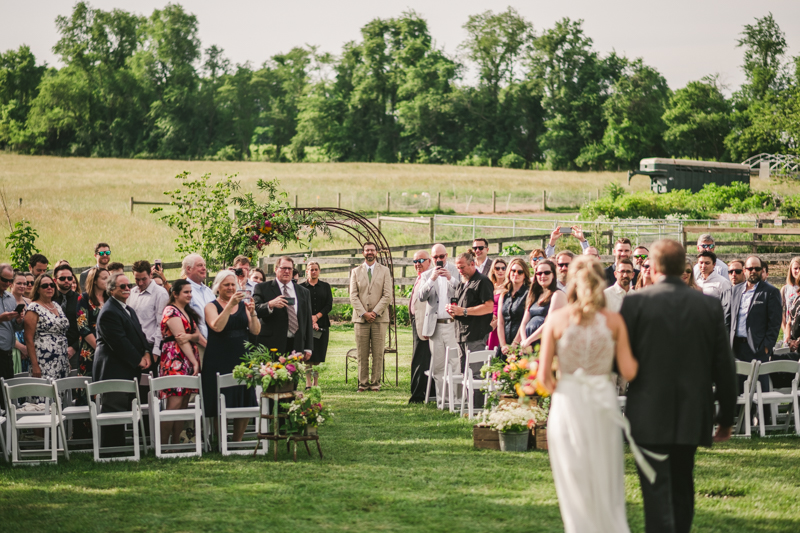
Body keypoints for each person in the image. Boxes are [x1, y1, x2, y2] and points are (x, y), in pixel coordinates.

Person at [620, 239, 736, 533]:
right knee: (683, 484)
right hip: (692, 410)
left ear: (654, 266)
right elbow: (724, 366)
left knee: (654, 489)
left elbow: (618, 362)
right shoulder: (708, 306)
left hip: (647, 411)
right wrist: (725, 419)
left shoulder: (634, 303)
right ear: (684, 265)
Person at [538, 256, 640, 532]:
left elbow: (543, 378)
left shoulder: (557, 319)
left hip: (567, 405)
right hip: (602, 404)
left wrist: (567, 390)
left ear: (572, 282)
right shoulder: (614, 320)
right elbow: (629, 372)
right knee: (604, 476)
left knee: (572, 479)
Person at [93, 273, 152, 447]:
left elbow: (140, 335)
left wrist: (147, 353)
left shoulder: (128, 309)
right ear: (111, 290)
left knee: (123, 406)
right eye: (123, 286)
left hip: (125, 367)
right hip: (113, 368)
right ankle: (112, 451)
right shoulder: (109, 311)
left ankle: (123, 447)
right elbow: (119, 341)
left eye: (129, 285)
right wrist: (138, 360)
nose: (128, 289)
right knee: (114, 409)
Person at [201, 270, 260, 440]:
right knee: (221, 397)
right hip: (218, 357)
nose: (230, 288)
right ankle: (222, 440)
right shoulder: (210, 306)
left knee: (245, 396)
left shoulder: (243, 305)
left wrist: (253, 312)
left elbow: (255, 331)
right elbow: (217, 326)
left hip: (242, 356)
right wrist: (228, 306)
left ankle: (237, 439)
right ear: (218, 287)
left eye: (233, 284)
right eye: (226, 284)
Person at [728, 256, 782, 416]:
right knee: (738, 384)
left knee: (761, 387)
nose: (753, 271)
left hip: (758, 346)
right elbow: (728, 318)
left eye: (757, 269)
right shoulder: (735, 290)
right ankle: (740, 420)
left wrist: (767, 346)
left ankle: (764, 420)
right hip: (736, 345)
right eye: (750, 268)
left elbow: (775, 323)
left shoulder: (770, 292)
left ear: (761, 270)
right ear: (744, 270)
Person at [158, 279, 201, 446]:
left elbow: (195, 336)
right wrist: (195, 363)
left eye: (191, 292)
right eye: (186, 292)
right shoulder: (171, 311)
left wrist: (189, 336)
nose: (190, 295)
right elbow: (179, 339)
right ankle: (163, 445)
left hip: (187, 358)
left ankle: (176, 443)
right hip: (175, 359)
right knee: (174, 404)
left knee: (183, 403)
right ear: (175, 294)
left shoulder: (187, 311)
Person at [448, 251, 494, 407]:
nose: (460, 271)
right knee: (464, 373)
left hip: (476, 334)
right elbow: (461, 308)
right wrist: (455, 311)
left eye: (462, 267)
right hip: (461, 334)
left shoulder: (482, 281)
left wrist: (465, 311)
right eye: (458, 268)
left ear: (472, 264)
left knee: (476, 374)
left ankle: (479, 408)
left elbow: (488, 307)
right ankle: (469, 406)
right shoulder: (463, 282)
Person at [417, 244, 461, 404]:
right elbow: (421, 297)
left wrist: (450, 278)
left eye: (441, 257)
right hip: (435, 325)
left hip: (453, 324)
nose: (439, 260)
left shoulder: (456, 271)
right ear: (431, 258)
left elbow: (462, 291)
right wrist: (431, 279)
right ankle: (443, 400)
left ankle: (456, 399)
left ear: (446, 256)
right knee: (438, 364)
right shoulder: (427, 275)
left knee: (455, 362)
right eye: (435, 258)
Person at [349, 242, 393, 392]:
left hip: (379, 318)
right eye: (367, 250)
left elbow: (388, 295)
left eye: (372, 250)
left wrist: (374, 312)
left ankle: (375, 383)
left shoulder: (385, 271)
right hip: (360, 319)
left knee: (378, 352)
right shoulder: (355, 271)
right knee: (362, 353)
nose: (370, 252)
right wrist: (364, 313)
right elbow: (353, 296)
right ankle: (363, 383)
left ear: (376, 252)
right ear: (363, 253)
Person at [253, 256, 313, 358]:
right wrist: (270, 305)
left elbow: (307, 319)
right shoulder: (262, 288)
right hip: (272, 345)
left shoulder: (303, 292)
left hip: (296, 344)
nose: (287, 271)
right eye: (283, 268)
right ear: (276, 269)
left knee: (294, 373)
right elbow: (255, 310)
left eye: (290, 269)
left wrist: (308, 347)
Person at [24, 273, 70, 387]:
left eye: (51, 285)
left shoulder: (56, 305)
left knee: (60, 397)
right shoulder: (33, 308)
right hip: (43, 360)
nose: (49, 287)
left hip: (61, 359)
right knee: (45, 397)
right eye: (45, 286)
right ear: (38, 289)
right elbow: (28, 338)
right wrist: (35, 365)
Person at [127, 260, 169, 378]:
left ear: (150, 275)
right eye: (137, 279)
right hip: (134, 347)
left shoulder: (160, 293)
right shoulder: (132, 293)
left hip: (150, 346)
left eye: (144, 279)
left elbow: (161, 323)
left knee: (149, 387)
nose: (140, 283)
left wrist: (156, 351)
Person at [518, 260, 567, 349]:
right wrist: (524, 341)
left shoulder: (557, 294)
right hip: (529, 344)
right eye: (539, 273)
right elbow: (524, 322)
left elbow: (549, 322)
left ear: (553, 275)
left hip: (546, 343)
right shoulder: (534, 294)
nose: (543, 276)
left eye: (547, 273)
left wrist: (528, 341)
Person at [300, 261, 332, 388]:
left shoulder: (325, 286)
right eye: (311, 269)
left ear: (319, 271)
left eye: (315, 269)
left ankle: (316, 382)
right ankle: (308, 383)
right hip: (305, 324)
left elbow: (329, 305)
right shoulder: (301, 287)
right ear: (307, 271)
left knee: (318, 355)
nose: (313, 271)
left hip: (322, 323)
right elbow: (300, 306)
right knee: (307, 355)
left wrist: (317, 317)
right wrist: (310, 320)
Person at [409, 250, 433, 403]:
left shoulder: (430, 278)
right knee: (417, 359)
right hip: (415, 322)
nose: (417, 264)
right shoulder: (419, 278)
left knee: (422, 360)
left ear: (429, 261)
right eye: (415, 261)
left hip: (425, 325)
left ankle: (420, 394)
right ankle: (417, 392)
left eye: (421, 260)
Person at [76, 267, 109, 380]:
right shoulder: (84, 298)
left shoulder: (110, 299)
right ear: (94, 280)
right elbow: (82, 326)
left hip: (109, 350)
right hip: (90, 349)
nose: (108, 281)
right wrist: (99, 347)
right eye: (104, 278)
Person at [0, 264, 24, 408]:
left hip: (7, 353)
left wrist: (19, 321)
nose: (8, 284)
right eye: (5, 280)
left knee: (6, 395)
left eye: (10, 281)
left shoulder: (10, 298)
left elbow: (14, 327)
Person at [183, 253, 214, 361]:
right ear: (188, 269)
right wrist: (208, 346)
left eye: (204, 265)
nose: (204, 268)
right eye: (200, 265)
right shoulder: (185, 292)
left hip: (213, 345)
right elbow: (190, 324)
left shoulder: (209, 291)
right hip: (197, 347)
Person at [496, 258, 530, 357]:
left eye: (520, 272)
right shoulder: (504, 294)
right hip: (504, 344)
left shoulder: (528, 293)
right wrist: (503, 345)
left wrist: (515, 343)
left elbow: (525, 321)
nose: (516, 274)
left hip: (520, 343)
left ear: (525, 275)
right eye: (513, 271)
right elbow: (500, 322)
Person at [53, 263, 81, 369]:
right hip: (52, 349)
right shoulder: (49, 299)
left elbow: (85, 328)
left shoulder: (80, 299)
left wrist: (74, 348)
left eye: (69, 278)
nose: (67, 281)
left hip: (75, 350)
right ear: (55, 280)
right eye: (62, 278)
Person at [10, 272, 30, 374]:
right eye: (19, 283)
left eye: (24, 283)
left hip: (29, 344)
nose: (22, 286)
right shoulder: (5, 303)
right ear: (11, 284)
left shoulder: (30, 302)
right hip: (13, 346)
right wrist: (21, 348)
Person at [486, 258, 508, 350]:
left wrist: (498, 321)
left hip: (502, 322)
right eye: (497, 268)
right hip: (489, 321)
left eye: (503, 268)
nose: (500, 271)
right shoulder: (489, 286)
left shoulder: (508, 287)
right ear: (493, 270)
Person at [781, 257, 800, 343]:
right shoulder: (785, 289)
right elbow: (782, 313)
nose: (798, 271)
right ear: (791, 270)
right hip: (789, 331)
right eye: (795, 268)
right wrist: (786, 331)